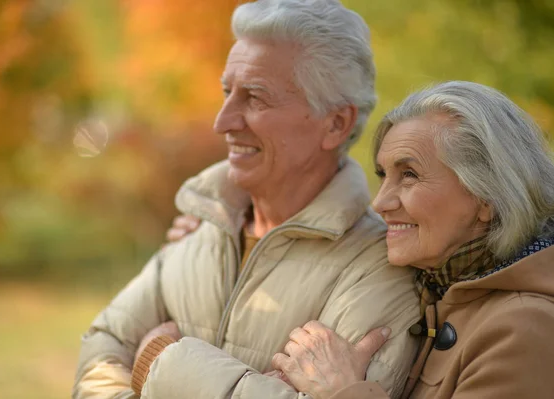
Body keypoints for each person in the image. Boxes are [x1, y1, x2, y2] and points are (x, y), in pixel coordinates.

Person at [72, 1, 421, 398]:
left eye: (255, 97)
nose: (223, 121)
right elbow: (101, 352)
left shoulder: (377, 270)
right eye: (227, 92)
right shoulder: (203, 224)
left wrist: (159, 362)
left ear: (335, 123)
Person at [265, 81, 554, 398]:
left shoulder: (527, 328)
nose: (380, 203)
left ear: (486, 197)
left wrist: (344, 390)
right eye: (383, 175)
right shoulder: (435, 288)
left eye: (409, 175)